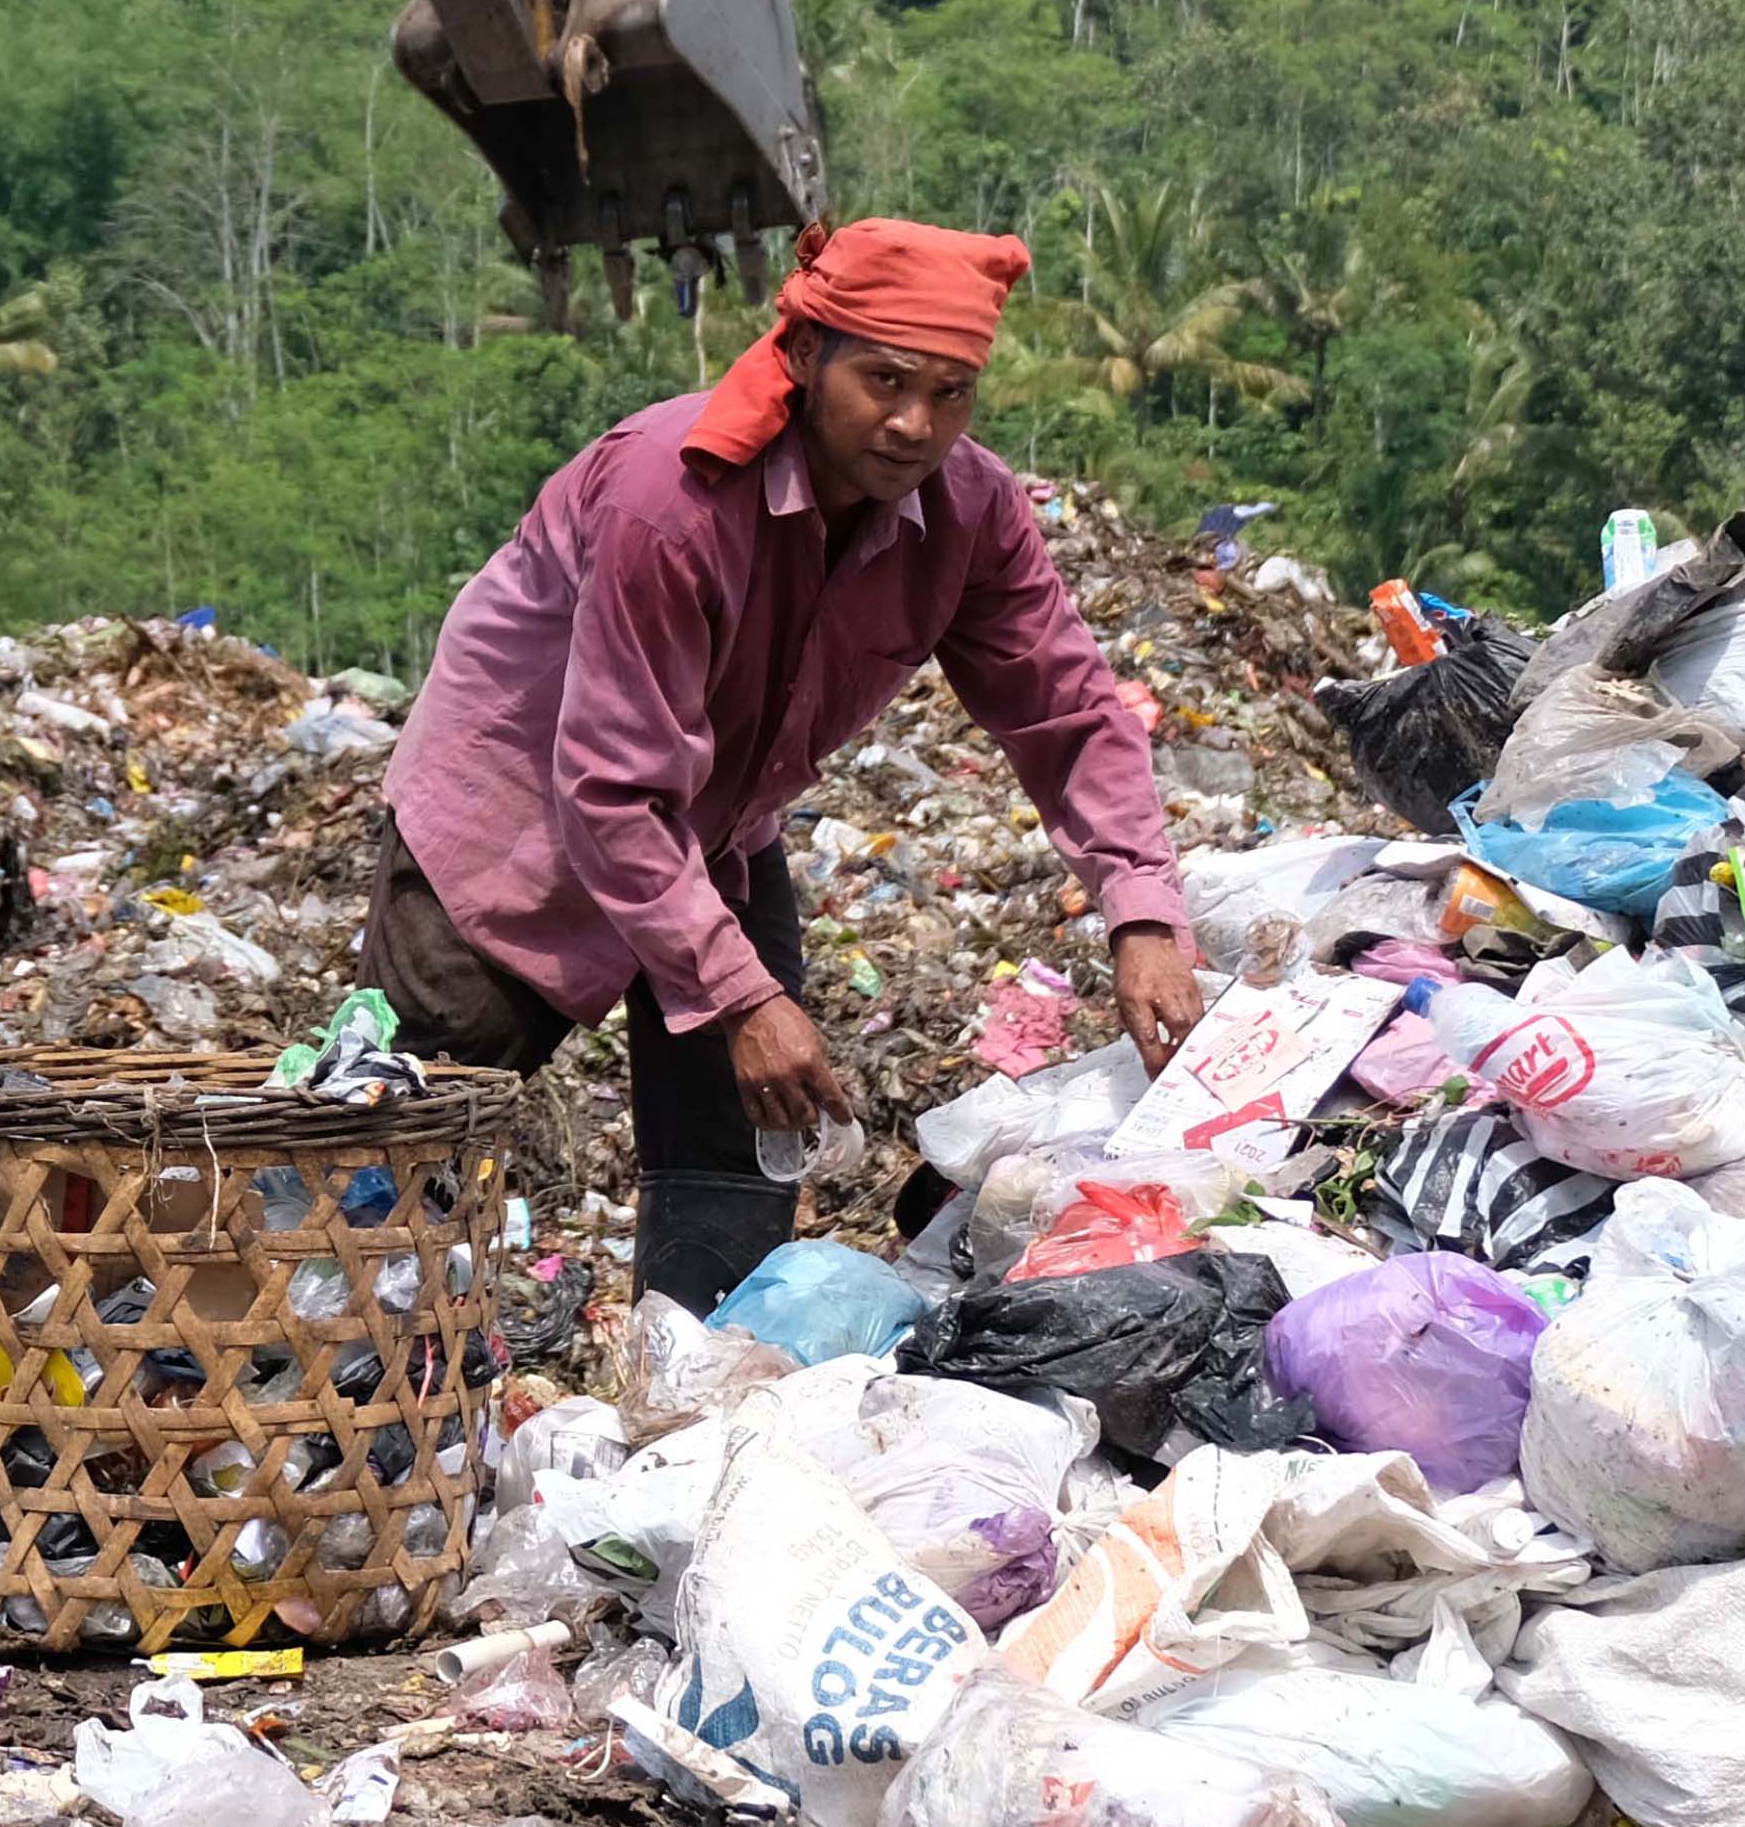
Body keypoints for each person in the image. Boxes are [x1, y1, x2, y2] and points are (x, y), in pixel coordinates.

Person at [366, 217, 1203, 1307]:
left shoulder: (970, 510)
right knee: (406, 1135)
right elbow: (612, 790)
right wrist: (738, 997)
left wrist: (1141, 909)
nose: (913, 424)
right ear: (806, 355)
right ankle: (312, 1408)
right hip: (513, 822)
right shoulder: (671, 502)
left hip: (714, 822)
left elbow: (1067, 707)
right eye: (885, 380)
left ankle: (688, 1394)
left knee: (746, 1128)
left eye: (950, 393)